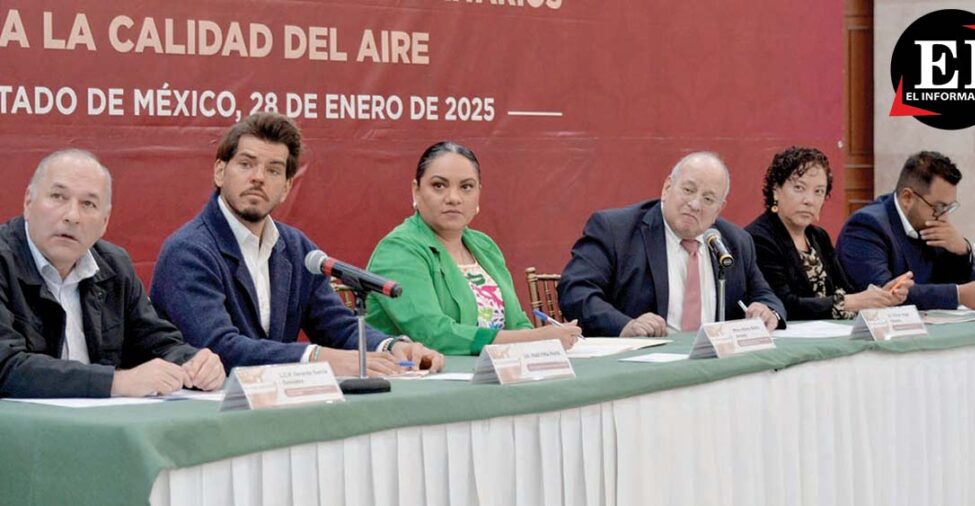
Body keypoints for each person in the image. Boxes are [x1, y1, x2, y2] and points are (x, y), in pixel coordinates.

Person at [150, 113, 444, 376]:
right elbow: (217, 348)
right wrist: (315, 357)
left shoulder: (295, 247)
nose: (258, 178)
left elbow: (336, 325)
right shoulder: (188, 251)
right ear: (219, 172)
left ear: (286, 187)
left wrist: (390, 347)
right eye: (246, 164)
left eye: (274, 170)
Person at [0, 149, 225, 398]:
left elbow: (156, 342)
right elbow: (5, 366)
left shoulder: (114, 266)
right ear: (28, 202)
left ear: (105, 222)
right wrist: (116, 382)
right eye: (58, 197)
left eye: (88, 204)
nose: (72, 216)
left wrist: (193, 362)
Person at [364, 141, 581, 355]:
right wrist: (534, 339)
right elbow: (434, 336)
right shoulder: (397, 250)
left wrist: (537, 343)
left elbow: (517, 323)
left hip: (495, 371)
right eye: (439, 185)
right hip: (427, 374)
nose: (453, 198)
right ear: (416, 191)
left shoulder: (484, 246)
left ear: (478, 193)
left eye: (466, 187)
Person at [558, 151, 786, 337]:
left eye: (708, 199)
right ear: (667, 187)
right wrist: (625, 325)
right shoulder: (616, 230)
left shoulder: (734, 242)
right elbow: (575, 291)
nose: (695, 204)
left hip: (715, 366)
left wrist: (767, 311)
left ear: (719, 208)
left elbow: (766, 296)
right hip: (642, 364)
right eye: (688, 190)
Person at [746, 146, 913, 320]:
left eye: (818, 191)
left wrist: (880, 296)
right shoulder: (758, 239)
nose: (809, 200)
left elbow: (846, 289)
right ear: (776, 190)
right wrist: (852, 302)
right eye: (799, 188)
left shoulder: (818, 237)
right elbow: (783, 304)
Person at [836, 151, 975, 310]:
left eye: (948, 208)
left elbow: (967, 288)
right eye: (938, 207)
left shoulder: (933, 226)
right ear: (907, 198)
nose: (944, 217)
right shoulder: (866, 227)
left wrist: (962, 251)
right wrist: (957, 294)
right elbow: (886, 293)